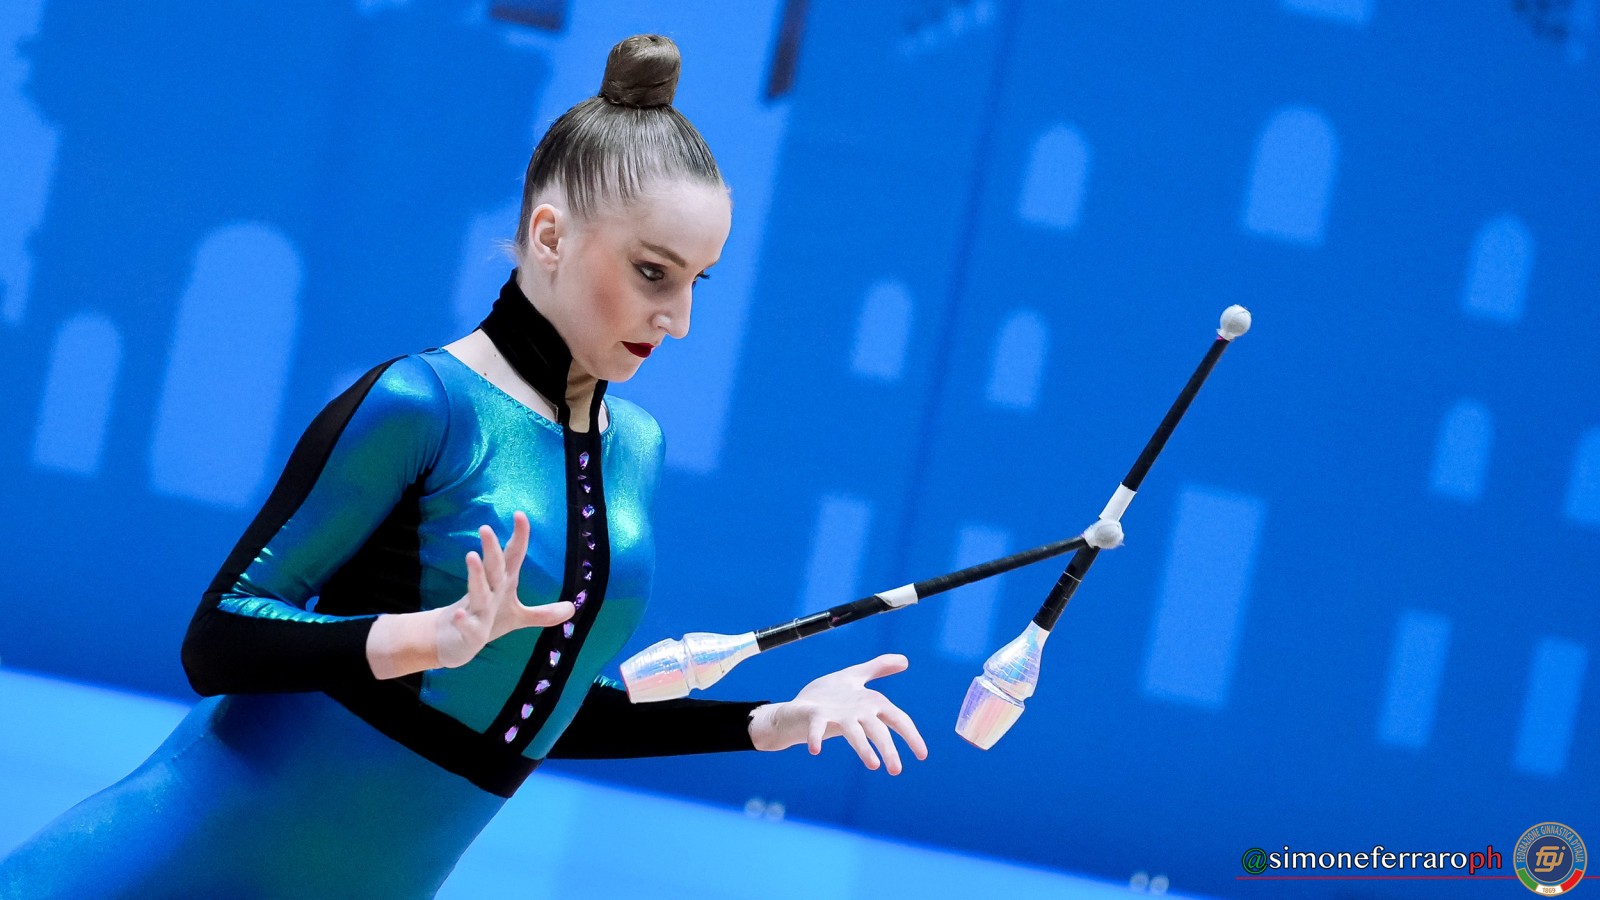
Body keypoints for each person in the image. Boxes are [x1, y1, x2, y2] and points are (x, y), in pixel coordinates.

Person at [0, 33, 926, 899]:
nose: (678, 318)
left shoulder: (636, 448)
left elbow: (528, 714)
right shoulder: (422, 404)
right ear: (551, 236)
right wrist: (423, 640)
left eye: (698, 281)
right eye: (654, 271)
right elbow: (218, 640)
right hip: (168, 865)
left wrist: (769, 723)